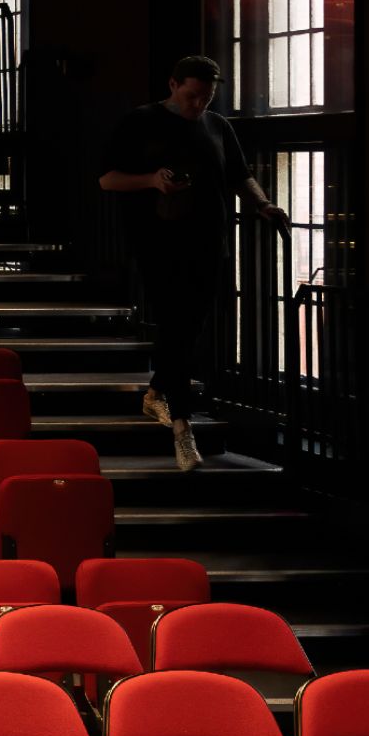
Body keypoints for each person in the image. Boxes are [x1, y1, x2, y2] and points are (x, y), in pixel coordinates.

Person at [98, 55, 289, 471]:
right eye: (191, 96)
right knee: (174, 323)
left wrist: (264, 204)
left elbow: (239, 176)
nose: (198, 104)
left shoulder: (218, 126)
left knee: (192, 325)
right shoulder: (141, 121)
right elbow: (106, 178)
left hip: (209, 240)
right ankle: (183, 428)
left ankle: (156, 392)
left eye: (206, 97)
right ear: (172, 84)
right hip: (158, 240)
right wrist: (151, 180)